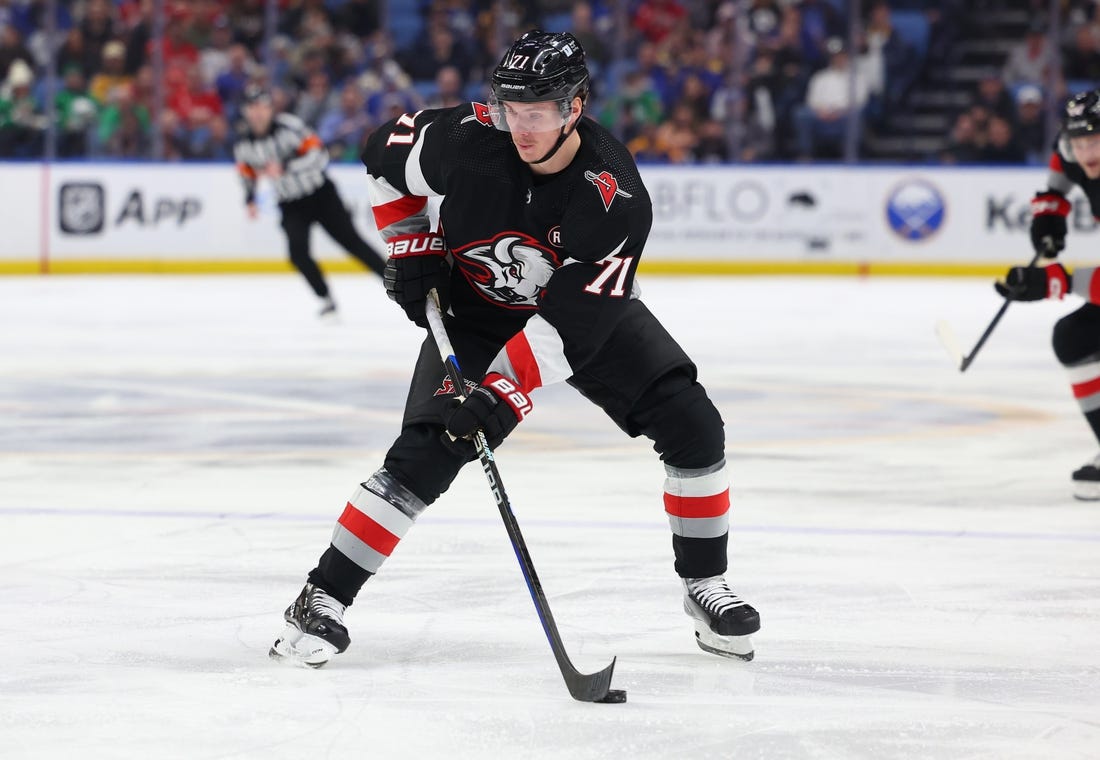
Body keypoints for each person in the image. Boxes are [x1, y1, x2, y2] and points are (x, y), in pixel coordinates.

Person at [269, 30, 761, 669]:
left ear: (574, 108)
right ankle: (320, 597)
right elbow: (380, 157)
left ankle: (705, 586)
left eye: (534, 114)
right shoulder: (467, 140)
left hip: (576, 313)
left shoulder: (615, 197)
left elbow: (570, 328)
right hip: (473, 311)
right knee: (428, 448)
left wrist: (504, 389)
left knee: (693, 423)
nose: (518, 127)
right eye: (508, 109)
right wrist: (409, 240)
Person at [996, 88, 1100, 500]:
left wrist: (1053, 281)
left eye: (1094, 140)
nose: (1085, 151)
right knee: (1075, 338)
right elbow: (1055, 190)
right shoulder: (1071, 153)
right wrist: (1048, 223)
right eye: (1079, 141)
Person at [232, 84, 385, 318]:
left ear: (270, 108)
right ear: (245, 111)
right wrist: (249, 198)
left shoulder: (289, 127)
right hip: (291, 203)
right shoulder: (245, 145)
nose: (258, 112)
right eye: (252, 107)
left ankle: (394, 283)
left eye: (262, 106)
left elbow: (319, 155)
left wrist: (285, 167)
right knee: (297, 254)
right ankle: (325, 298)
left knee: (352, 243)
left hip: (320, 195)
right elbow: (247, 172)